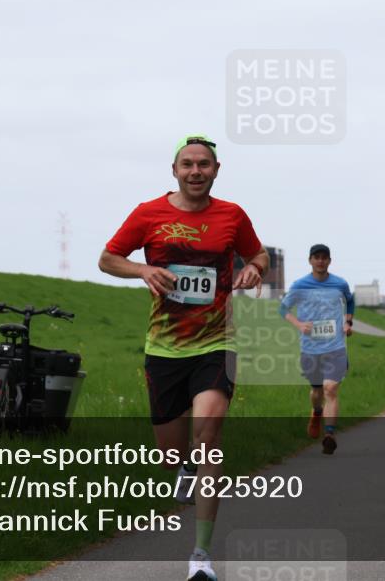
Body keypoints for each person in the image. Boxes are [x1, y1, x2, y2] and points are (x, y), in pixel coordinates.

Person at [99, 134, 269, 581]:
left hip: (217, 343)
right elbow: (107, 258)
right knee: (171, 453)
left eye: (205, 164)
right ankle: (183, 466)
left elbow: (259, 254)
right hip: (164, 347)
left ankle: (200, 556)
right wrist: (142, 269)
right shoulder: (148, 213)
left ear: (216, 170)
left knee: (209, 439)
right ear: (174, 171)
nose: (196, 171)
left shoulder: (232, 215)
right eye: (188, 164)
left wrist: (254, 268)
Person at [279, 244, 354, 455]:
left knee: (330, 389)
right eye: (316, 257)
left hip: (336, 346)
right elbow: (282, 309)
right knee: (317, 391)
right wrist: (299, 325)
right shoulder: (300, 285)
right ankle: (317, 412)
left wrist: (348, 323)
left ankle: (329, 434)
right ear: (310, 260)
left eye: (324, 258)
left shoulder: (340, 283)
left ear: (330, 261)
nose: (320, 261)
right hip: (310, 347)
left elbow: (350, 301)